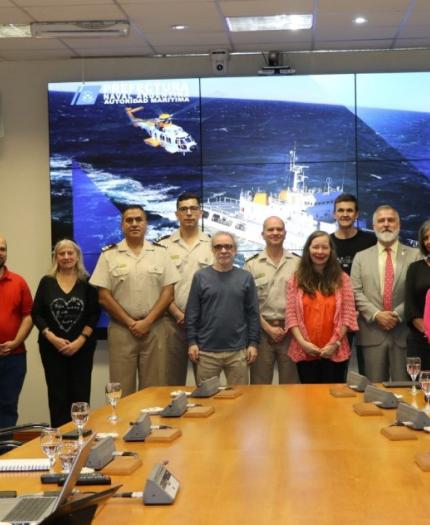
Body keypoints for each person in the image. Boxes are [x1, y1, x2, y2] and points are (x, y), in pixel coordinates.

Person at [90, 205, 179, 395]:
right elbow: (104, 297)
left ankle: (154, 425)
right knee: (121, 391)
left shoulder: (161, 253)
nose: (134, 224)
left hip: (155, 329)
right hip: (122, 330)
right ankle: (124, 426)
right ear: (122, 225)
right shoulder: (108, 255)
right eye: (129, 220)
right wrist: (131, 323)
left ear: (146, 224)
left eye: (139, 219)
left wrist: (147, 322)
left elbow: (168, 293)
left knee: (155, 391)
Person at [32, 239, 100, 427]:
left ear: (77, 256)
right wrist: (52, 338)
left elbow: (94, 314)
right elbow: (36, 313)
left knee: (80, 395)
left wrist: (80, 340)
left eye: (70, 253)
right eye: (61, 253)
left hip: (83, 348)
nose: (66, 257)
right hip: (51, 349)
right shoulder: (46, 282)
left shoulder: (88, 282)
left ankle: (80, 436)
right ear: (56, 257)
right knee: (57, 395)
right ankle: (60, 439)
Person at [351, 205, 420, 382]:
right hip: (372, 332)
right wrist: (376, 314)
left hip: (404, 333)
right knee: (374, 392)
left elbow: (418, 293)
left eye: (391, 220)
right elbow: (355, 291)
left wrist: (396, 314)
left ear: (399, 224)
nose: (386, 224)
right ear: (374, 226)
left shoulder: (415, 255)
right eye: (381, 221)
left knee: (405, 390)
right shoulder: (361, 257)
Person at [186, 231, 259, 385]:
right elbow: (192, 312)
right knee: (207, 399)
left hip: (238, 352)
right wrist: (192, 342)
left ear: (235, 250)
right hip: (206, 352)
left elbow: (252, 314)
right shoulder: (200, 277)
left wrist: (253, 344)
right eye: (218, 247)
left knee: (240, 400)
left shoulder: (245, 277)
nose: (223, 250)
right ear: (212, 250)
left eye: (228, 246)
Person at [285, 231, 357, 383]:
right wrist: (303, 344)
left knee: (333, 399)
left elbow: (348, 315)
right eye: (315, 247)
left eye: (324, 247)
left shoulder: (343, 279)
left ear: (331, 251)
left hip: (335, 350)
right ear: (308, 250)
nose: (320, 252)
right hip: (305, 351)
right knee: (309, 399)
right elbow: (291, 316)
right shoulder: (295, 280)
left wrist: (334, 343)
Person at [157, 192, 213, 385]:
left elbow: (219, 285)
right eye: (184, 209)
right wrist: (176, 312)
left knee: (207, 384)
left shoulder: (213, 245)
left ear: (201, 213)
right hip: (172, 323)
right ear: (177, 214)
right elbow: (159, 284)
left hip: (205, 325)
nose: (189, 213)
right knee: (171, 384)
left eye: (193, 209)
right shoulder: (163, 246)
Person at [245, 216, 300, 384]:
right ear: (262, 234)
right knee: (260, 387)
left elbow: (303, 301)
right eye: (270, 229)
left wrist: (290, 326)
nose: (275, 233)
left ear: (285, 233)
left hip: (292, 332)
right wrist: (268, 328)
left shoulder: (298, 263)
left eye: (279, 229)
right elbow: (248, 304)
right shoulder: (251, 265)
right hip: (261, 333)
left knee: (292, 389)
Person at [330, 193, 376, 374]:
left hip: (367, 314)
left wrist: (363, 309)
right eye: (340, 210)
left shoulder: (371, 241)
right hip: (338, 317)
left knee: (369, 369)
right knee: (338, 368)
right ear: (334, 214)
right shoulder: (327, 243)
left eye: (349, 210)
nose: (345, 214)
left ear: (357, 214)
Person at [0, 236, 33, 428]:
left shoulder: (19, 282)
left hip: (14, 357)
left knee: (8, 407)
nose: (0, 253)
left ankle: (4, 455)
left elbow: (28, 316)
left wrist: (14, 342)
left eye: (2, 249)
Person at [405, 219, 430, 368]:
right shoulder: (415, 268)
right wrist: (428, 331)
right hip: (420, 339)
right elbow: (410, 306)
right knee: (420, 387)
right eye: (425, 238)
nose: (428, 241)